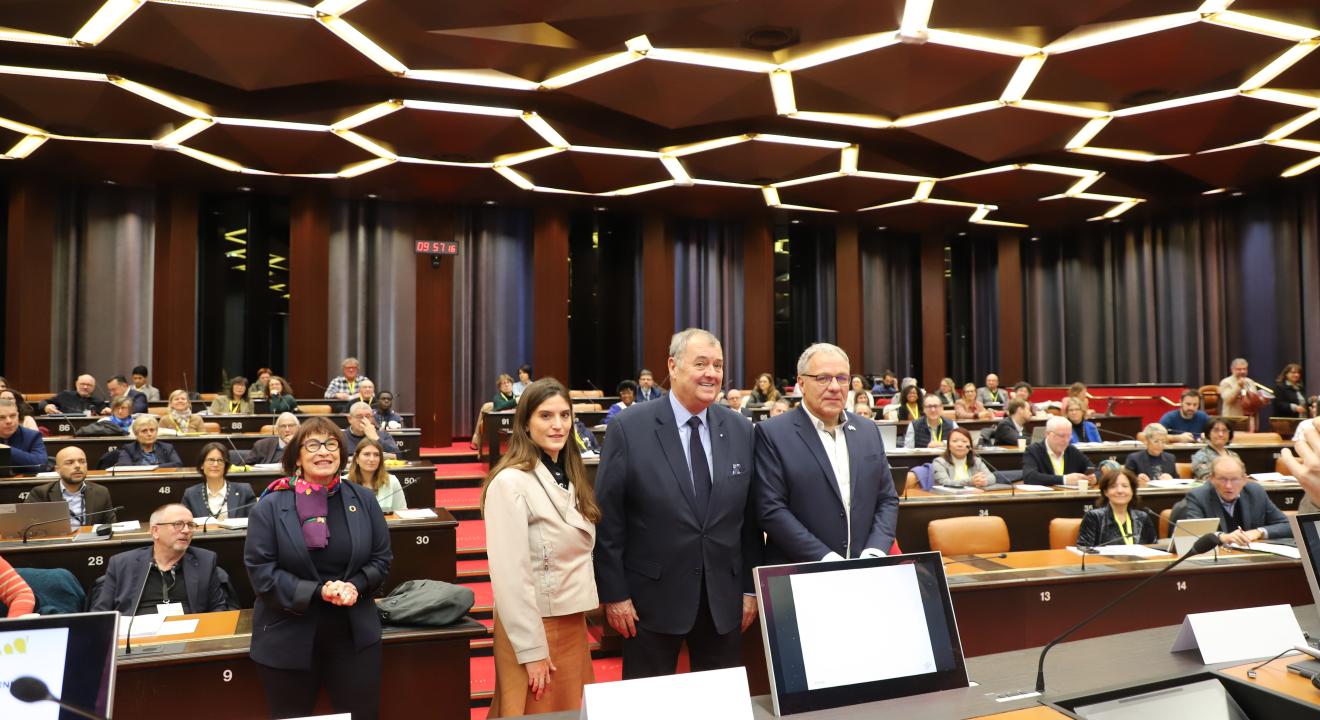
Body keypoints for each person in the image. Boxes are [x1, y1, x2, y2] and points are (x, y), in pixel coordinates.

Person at [593, 328, 761, 679]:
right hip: (648, 602)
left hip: (722, 601)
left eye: (717, 365)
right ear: (673, 366)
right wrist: (615, 594)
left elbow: (748, 519)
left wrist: (749, 587)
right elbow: (609, 519)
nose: (711, 373)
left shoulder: (741, 429)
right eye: (701, 363)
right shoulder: (629, 428)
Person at [245, 416, 392, 719]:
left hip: (353, 635)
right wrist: (318, 591)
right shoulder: (270, 506)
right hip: (288, 635)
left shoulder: (363, 499)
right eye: (312, 445)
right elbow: (262, 572)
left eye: (331, 444)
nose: (323, 451)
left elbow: (381, 559)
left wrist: (356, 585)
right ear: (296, 456)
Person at [483, 379, 599, 716]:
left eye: (565, 415)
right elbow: (511, 578)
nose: (558, 425)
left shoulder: (568, 475)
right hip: (533, 628)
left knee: (568, 712)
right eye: (546, 415)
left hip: (571, 621)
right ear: (525, 424)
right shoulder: (510, 482)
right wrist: (531, 650)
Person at [755, 342, 898, 565]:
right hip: (801, 571)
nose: (834, 387)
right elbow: (771, 509)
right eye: (823, 378)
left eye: (842, 378)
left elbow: (887, 499)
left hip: (865, 568)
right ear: (801, 383)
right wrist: (826, 558)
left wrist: (875, 551)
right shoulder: (772, 433)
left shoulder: (868, 430)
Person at [91, 503, 234, 615]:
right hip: (136, 640)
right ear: (155, 531)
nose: (186, 530)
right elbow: (102, 613)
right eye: (178, 524)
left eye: (191, 525)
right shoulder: (122, 563)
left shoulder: (205, 560)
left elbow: (218, 608)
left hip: (188, 639)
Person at [1180, 454, 1291, 542]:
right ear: (1212, 479)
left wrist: (1259, 532)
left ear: (1244, 479)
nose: (1228, 486)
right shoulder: (1198, 496)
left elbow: (1287, 526)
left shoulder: (1256, 492)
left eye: (1234, 479)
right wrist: (1222, 537)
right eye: (1222, 479)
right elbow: (1192, 534)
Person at [26, 447, 115, 530]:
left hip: (90, 543)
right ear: (57, 469)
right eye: (70, 462)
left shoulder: (101, 492)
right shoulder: (41, 494)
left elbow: (110, 526)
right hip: (58, 544)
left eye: (82, 461)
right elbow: (29, 528)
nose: (77, 466)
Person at [1077, 467, 1157, 547]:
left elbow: (1154, 549)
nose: (1120, 491)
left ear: (1132, 491)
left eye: (1125, 486)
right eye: (1113, 486)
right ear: (1105, 492)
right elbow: (1084, 550)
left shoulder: (1142, 517)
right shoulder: (1094, 517)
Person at [183, 442, 257, 521]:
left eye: (220, 460)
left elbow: (254, 521)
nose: (215, 464)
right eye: (211, 460)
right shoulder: (190, 494)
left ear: (226, 466)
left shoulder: (244, 491)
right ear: (202, 465)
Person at [1022, 416, 1095, 487]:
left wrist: (1094, 478)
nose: (1066, 440)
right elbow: (1029, 477)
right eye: (1061, 436)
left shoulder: (1072, 451)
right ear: (1047, 434)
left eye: (1069, 436)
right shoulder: (1033, 451)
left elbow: (1094, 469)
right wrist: (1064, 480)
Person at [348, 439, 407, 514]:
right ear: (356, 458)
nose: (372, 459)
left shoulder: (392, 481)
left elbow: (402, 513)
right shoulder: (344, 482)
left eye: (376, 455)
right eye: (367, 454)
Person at [471, 374, 519, 452]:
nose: (506, 385)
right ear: (500, 387)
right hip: (497, 427)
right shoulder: (497, 398)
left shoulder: (517, 397)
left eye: (508, 382)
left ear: (512, 384)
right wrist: (516, 401)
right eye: (503, 383)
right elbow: (501, 406)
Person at [1219, 357, 1268, 431]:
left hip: (1249, 420)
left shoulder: (1250, 382)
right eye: (1239, 369)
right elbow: (1227, 399)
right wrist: (1238, 387)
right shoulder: (1226, 382)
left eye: (1244, 369)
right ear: (1232, 370)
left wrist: (1261, 400)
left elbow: (1253, 399)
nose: (1242, 371)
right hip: (1233, 420)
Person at [115, 414, 183, 468]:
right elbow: (124, 467)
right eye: (144, 431)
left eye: (152, 430)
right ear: (136, 434)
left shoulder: (167, 447)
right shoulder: (129, 449)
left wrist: (154, 468)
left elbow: (178, 464)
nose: (149, 434)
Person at [0, 398, 47, 473]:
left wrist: (6, 450)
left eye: (12, 416)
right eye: (1, 417)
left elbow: (41, 465)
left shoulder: (32, 436)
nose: (9, 421)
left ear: (18, 415)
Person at [1191, 417, 1240, 482]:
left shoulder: (1234, 455)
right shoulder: (1201, 455)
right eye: (1216, 430)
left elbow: (1241, 476)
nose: (1221, 434)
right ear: (1208, 433)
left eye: (1225, 430)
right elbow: (1207, 478)